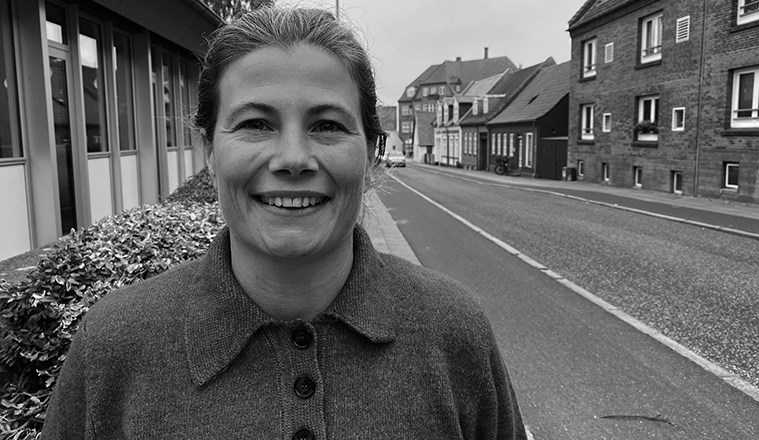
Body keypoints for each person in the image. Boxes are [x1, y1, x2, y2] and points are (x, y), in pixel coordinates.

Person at [42, 7, 525, 439]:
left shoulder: (455, 334)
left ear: (370, 152)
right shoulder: (113, 348)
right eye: (255, 124)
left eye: (327, 125)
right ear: (210, 151)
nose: (293, 158)